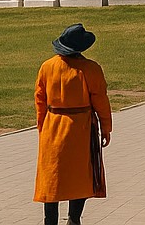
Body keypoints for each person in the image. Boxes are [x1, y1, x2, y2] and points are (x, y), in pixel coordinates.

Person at [33, 24, 113, 225]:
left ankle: (49, 220)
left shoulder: (47, 66)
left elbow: (39, 99)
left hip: (53, 125)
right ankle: (74, 218)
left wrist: (42, 125)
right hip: (80, 126)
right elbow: (100, 100)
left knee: (52, 174)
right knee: (80, 174)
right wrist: (106, 127)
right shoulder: (91, 69)